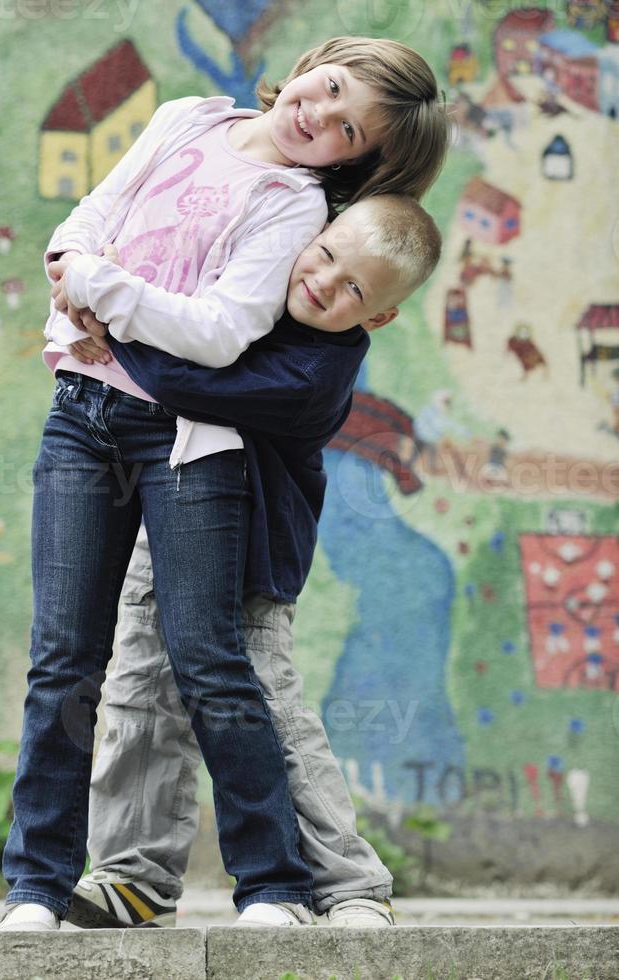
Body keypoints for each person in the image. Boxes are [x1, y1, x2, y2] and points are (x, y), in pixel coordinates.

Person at [0, 36, 449, 932]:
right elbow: (88, 223)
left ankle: (320, 884)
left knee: (229, 673)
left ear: (350, 165)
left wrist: (104, 306)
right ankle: (94, 881)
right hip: (95, 425)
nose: (318, 114)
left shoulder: (297, 229)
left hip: (214, 482)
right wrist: (79, 279)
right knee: (102, 670)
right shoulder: (191, 126)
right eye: (326, 88)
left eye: (345, 125)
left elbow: (206, 351)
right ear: (312, 63)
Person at [62, 195, 442, 929]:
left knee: (261, 703)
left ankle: (350, 884)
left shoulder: (316, 367)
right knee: (139, 688)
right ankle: (131, 877)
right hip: (164, 518)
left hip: (251, 553)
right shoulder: (257, 286)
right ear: (315, 236)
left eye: (355, 290)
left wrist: (114, 328)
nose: (326, 283)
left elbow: (187, 382)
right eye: (327, 255)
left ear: (379, 317)